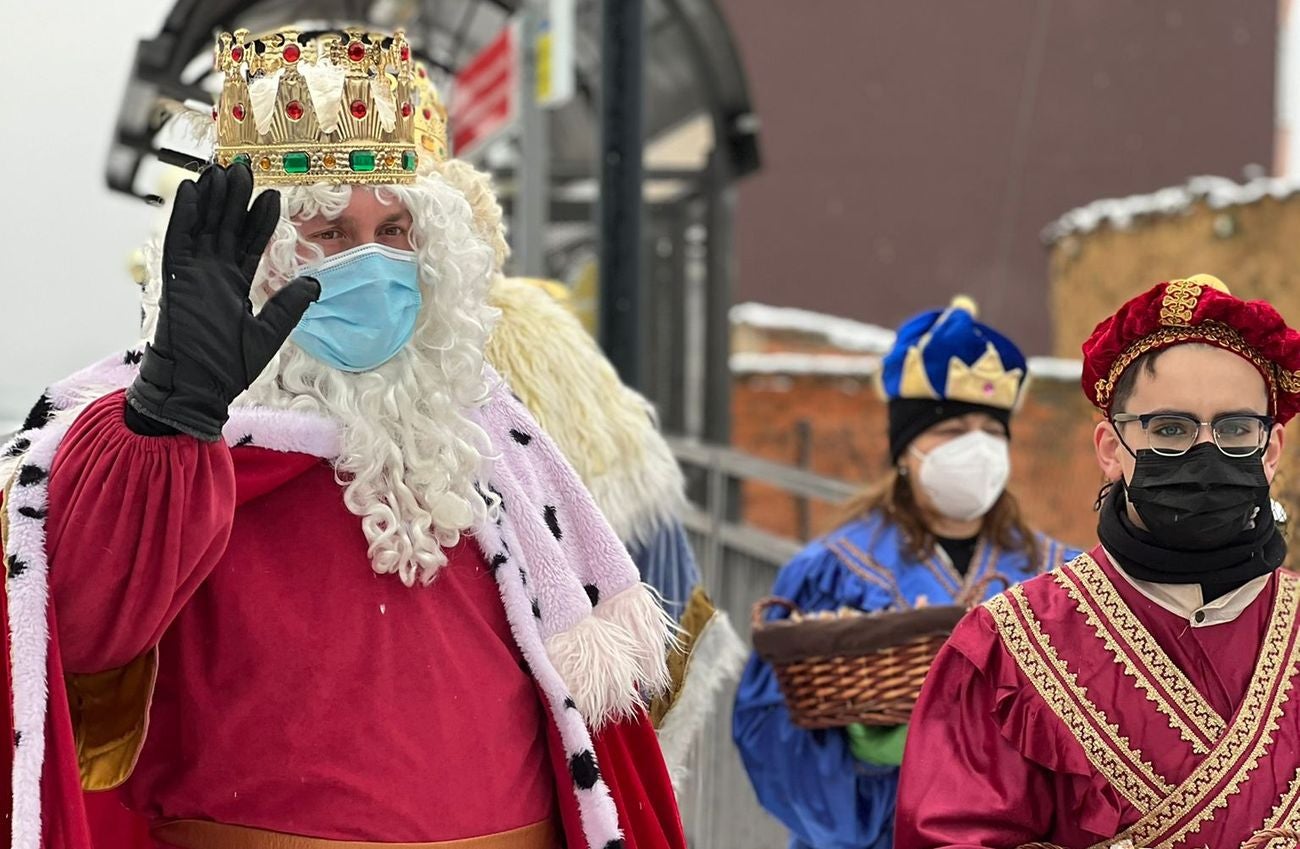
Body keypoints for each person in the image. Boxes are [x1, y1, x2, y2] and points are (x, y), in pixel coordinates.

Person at [0, 27, 685, 849]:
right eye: (328, 233)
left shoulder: (495, 440)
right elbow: (79, 632)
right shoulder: (154, 438)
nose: (371, 263)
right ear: (261, 259)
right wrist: (171, 418)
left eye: (394, 231)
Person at [895, 275, 1300, 847]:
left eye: (1236, 429)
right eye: (1170, 429)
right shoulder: (1005, 648)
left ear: (1271, 450)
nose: (1205, 452)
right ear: (1112, 449)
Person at [732, 297, 1079, 849]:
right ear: (905, 448)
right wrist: (875, 788)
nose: (978, 446)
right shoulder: (829, 573)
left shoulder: (1059, 575)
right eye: (952, 428)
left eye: (992, 429)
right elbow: (768, 728)